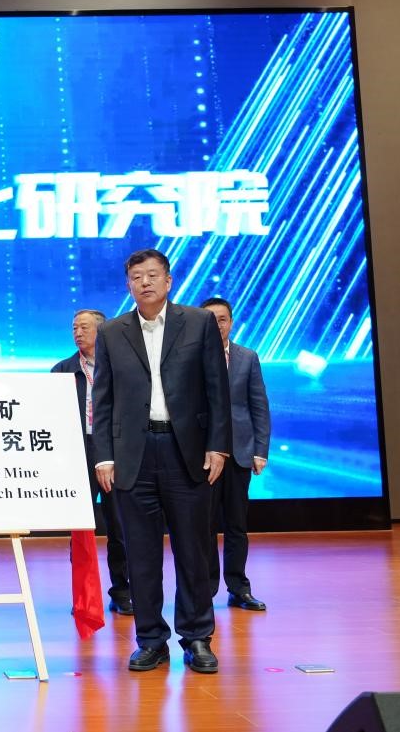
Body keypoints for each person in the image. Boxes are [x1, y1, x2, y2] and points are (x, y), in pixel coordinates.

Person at [91, 249, 231, 674]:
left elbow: (217, 389)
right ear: (129, 285)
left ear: (168, 281)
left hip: (186, 451)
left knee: (193, 550)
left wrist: (218, 446)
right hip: (133, 455)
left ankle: (197, 637)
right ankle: (151, 640)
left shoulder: (198, 323)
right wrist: (104, 456)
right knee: (142, 555)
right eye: (137, 277)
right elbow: (103, 398)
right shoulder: (112, 332)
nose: (145, 282)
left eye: (153, 275)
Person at [52, 308, 132, 616]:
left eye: (84, 327)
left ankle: (122, 591)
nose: (78, 332)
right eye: (74, 327)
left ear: (102, 331)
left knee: (119, 525)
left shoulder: (121, 366)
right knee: (81, 529)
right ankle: (83, 596)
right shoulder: (63, 370)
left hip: (114, 449)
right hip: (79, 450)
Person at [199, 297, 271, 612]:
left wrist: (260, 449)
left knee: (236, 526)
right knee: (203, 526)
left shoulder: (247, 357)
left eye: (222, 319)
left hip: (239, 454)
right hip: (202, 456)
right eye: (210, 319)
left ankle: (239, 588)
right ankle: (205, 589)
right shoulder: (189, 356)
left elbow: (259, 405)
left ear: (231, 322)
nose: (217, 325)